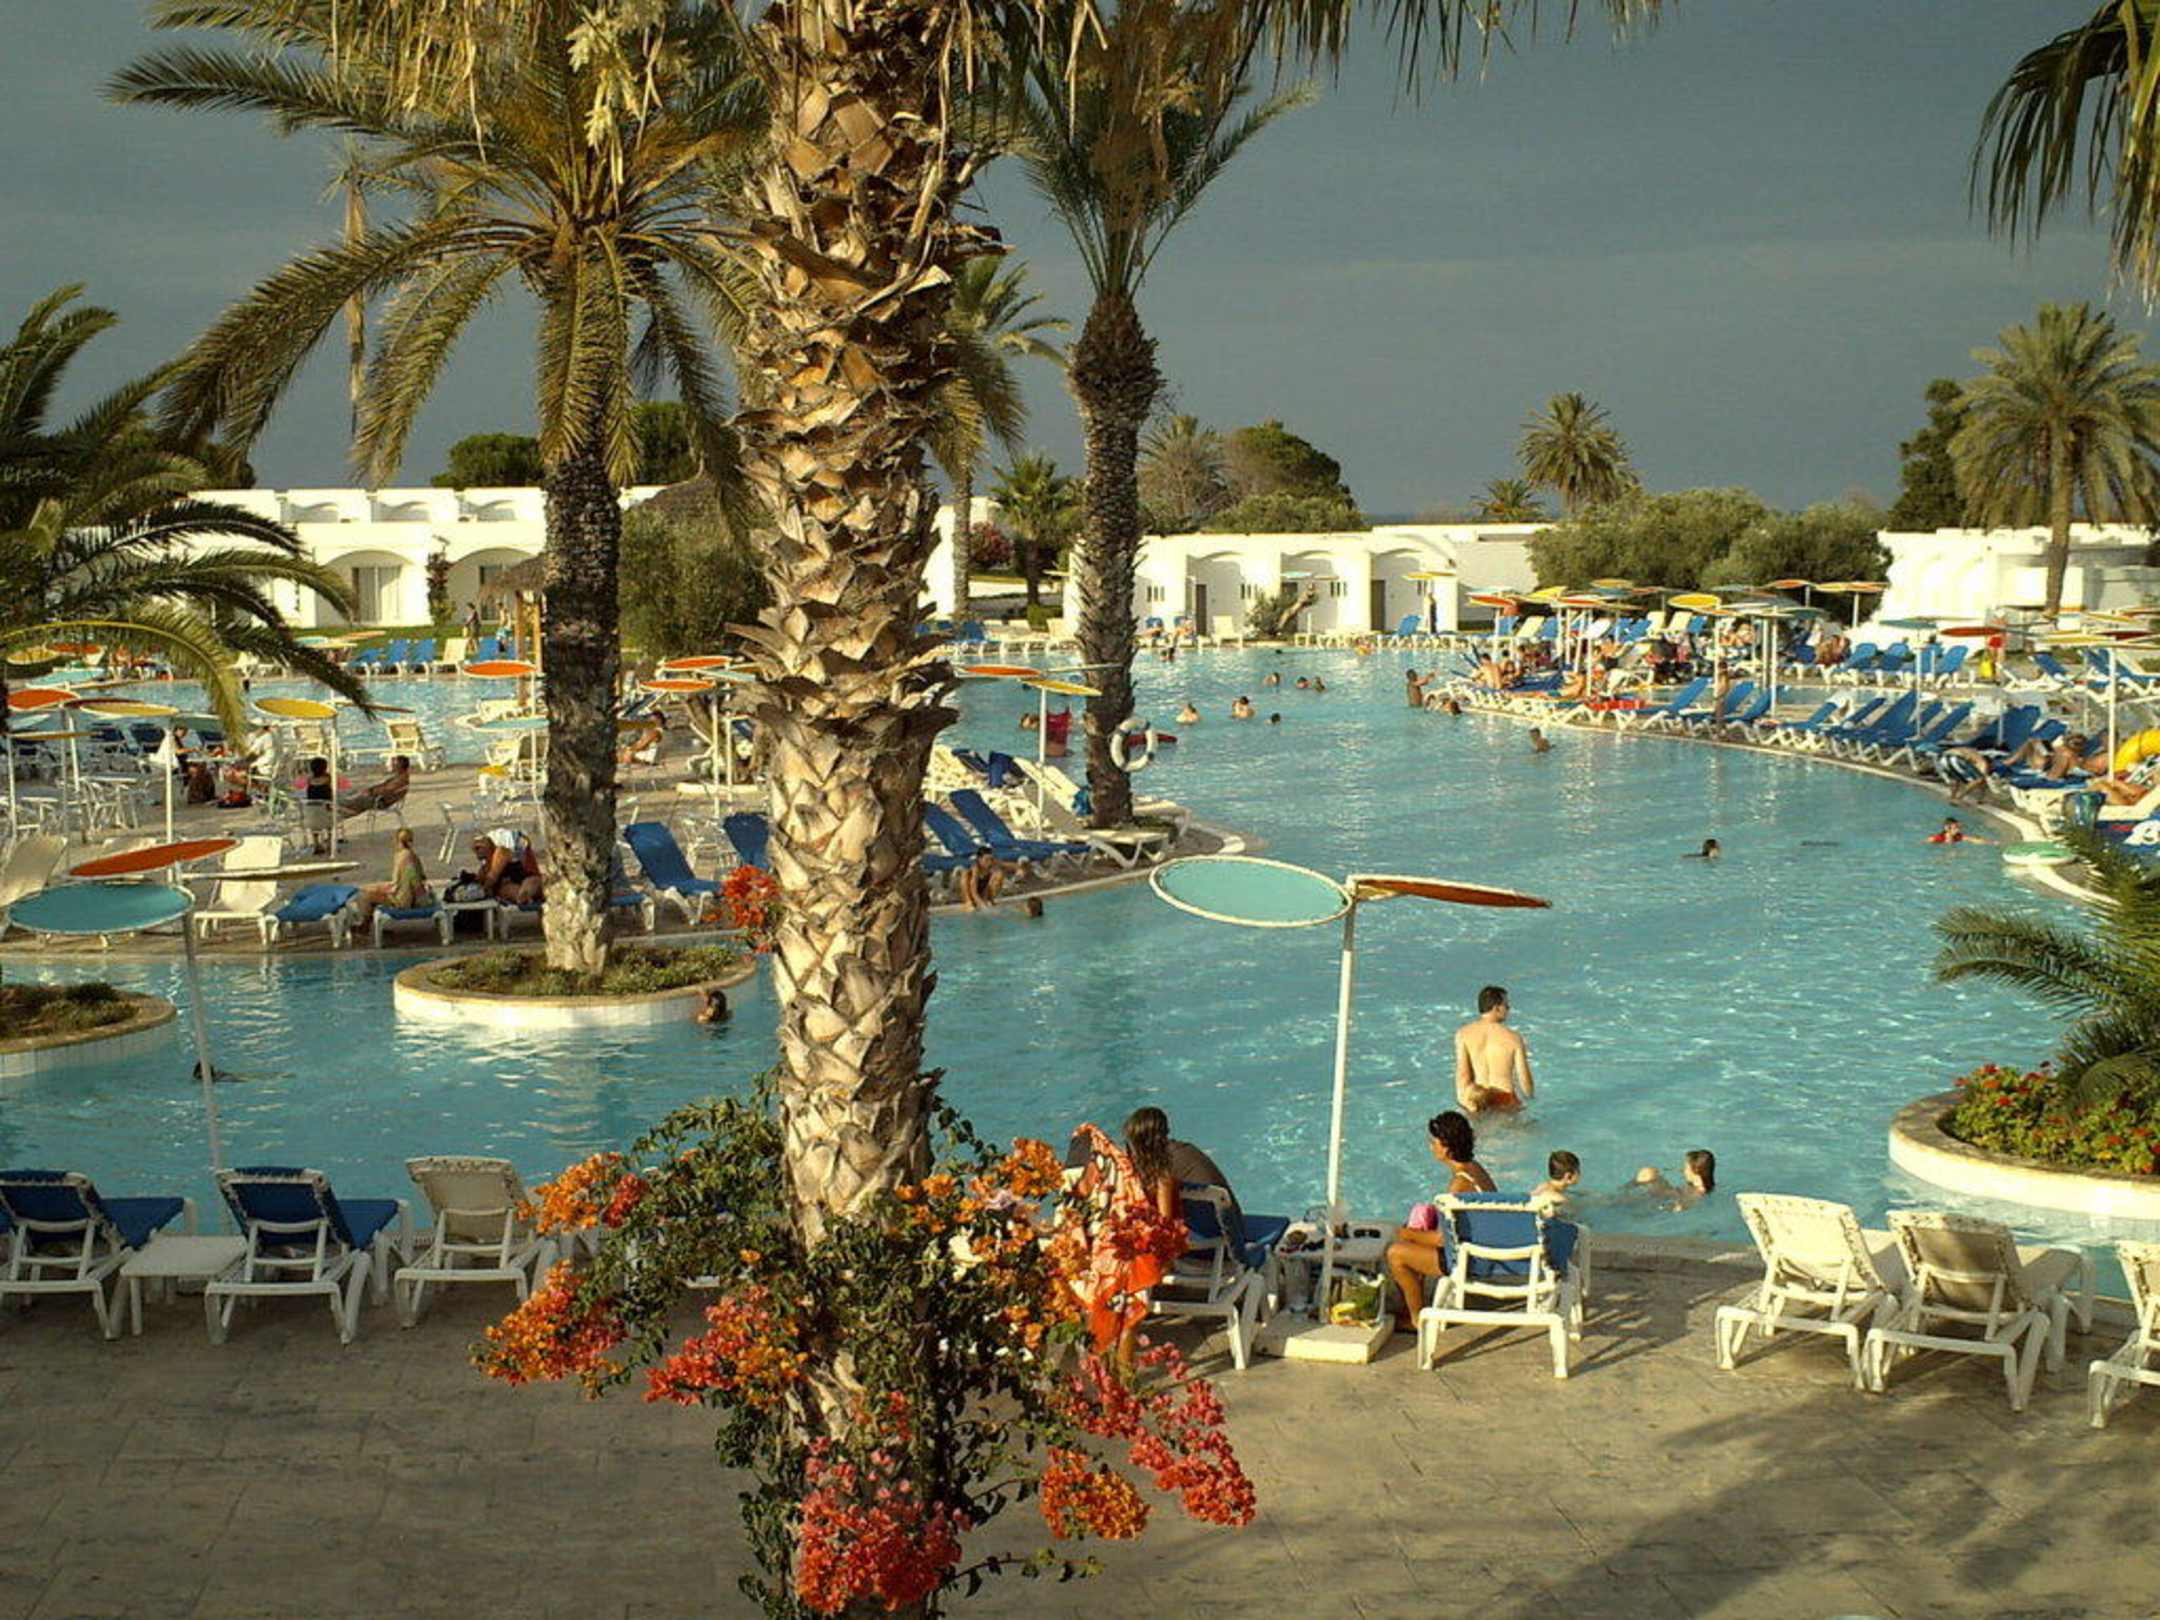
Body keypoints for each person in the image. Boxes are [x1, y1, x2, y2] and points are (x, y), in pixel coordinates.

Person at [1385, 1110, 1497, 1331]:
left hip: (1470, 1259)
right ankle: (1412, 1307)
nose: (1431, 1146)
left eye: (1433, 1142)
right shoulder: (1476, 1169)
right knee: (1414, 1239)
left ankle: (1417, 1319)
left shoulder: (1459, 1184)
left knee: (1396, 1253)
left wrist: (1404, 1233)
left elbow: (1441, 1240)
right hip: (1483, 1248)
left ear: (1446, 1148)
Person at [1114, 1107, 1182, 1370]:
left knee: (1121, 1305)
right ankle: (1124, 1374)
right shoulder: (1161, 1177)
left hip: (1125, 1248)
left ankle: (1118, 1371)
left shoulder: (1124, 1174)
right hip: (1150, 1254)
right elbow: (1164, 1225)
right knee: (1132, 1312)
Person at [1456, 985, 1533, 1114]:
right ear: (1496, 1008)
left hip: (1478, 1099)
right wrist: (1530, 1097)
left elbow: (1463, 1075)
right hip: (1505, 1099)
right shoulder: (1514, 1038)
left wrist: (1466, 1102)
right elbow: (1525, 1082)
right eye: (1506, 1005)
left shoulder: (1463, 1034)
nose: (1508, 1009)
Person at [354, 826, 429, 928]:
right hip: (401, 894)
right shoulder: (409, 855)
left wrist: (419, 899)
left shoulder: (405, 857)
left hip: (401, 900)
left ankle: (364, 926)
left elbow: (413, 880)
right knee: (367, 888)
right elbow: (415, 878)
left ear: (398, 841)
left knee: (364, 895)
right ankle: (366, 924)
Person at [1633, 1150, 1716, 1210]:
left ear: (1696, 1170)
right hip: (1669, 1194)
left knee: (1647, 1173)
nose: (1683, 1171)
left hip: (1662, 1199)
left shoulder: (1698, 1193)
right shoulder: (1701, 1187)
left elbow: (1679, 1207)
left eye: (1686, 1168)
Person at [340, 755, 411, 817]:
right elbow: (384, 786)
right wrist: (370, 789)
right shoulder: (400, 776)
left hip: (381, 801)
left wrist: (371, 792)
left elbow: (386, 790)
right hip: (381, 798)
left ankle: (343, 807)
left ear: (400, 765)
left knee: (357, 799)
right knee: (356, 795)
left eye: (395, 763)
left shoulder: (400, 779)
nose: (392, 764)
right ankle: (345, 809)